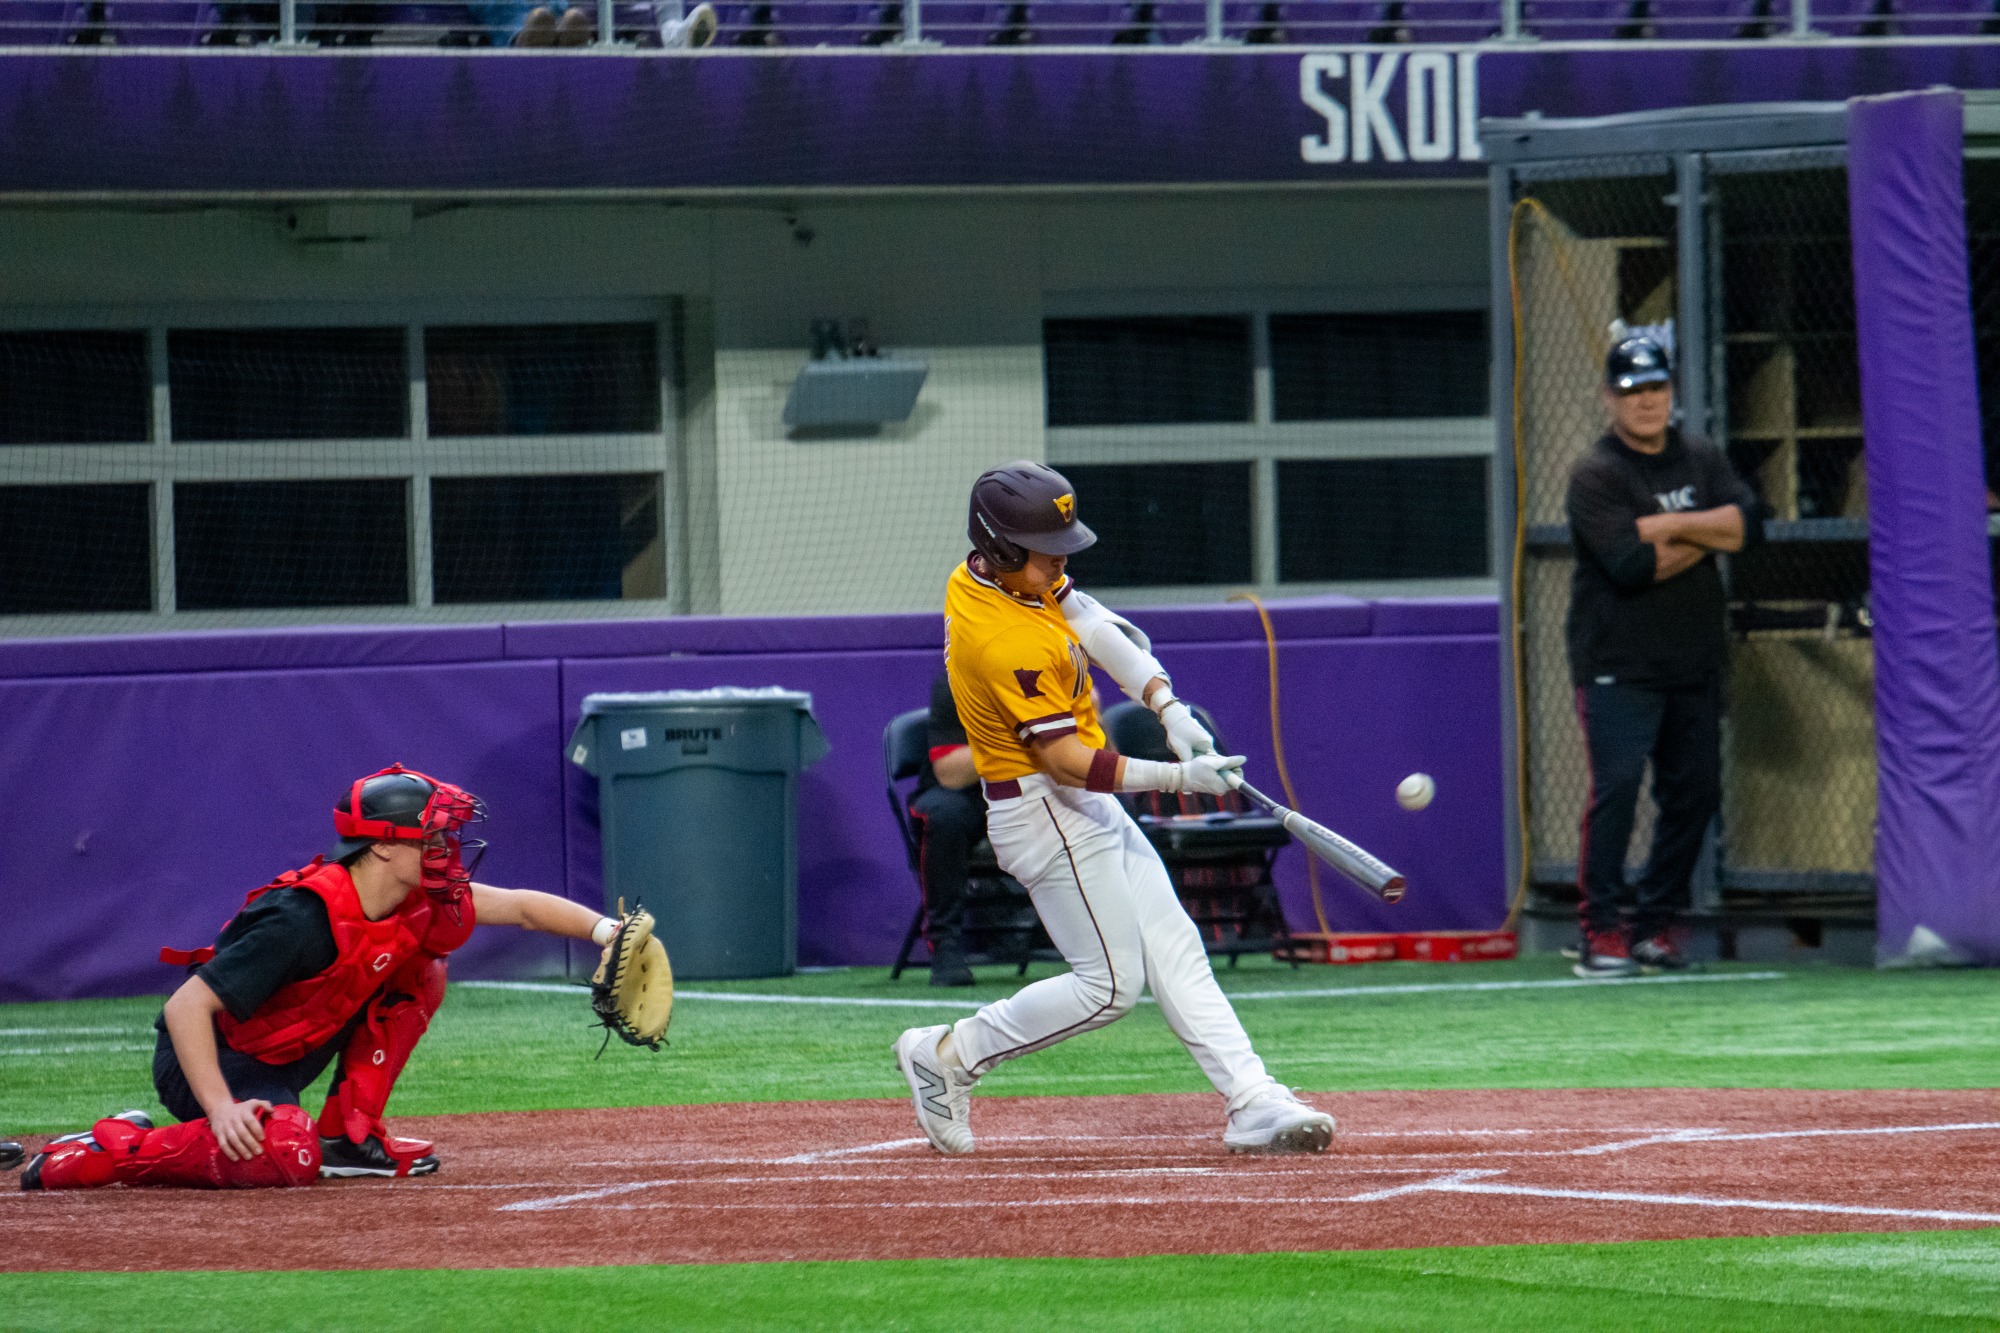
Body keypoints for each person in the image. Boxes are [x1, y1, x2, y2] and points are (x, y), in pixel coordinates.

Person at [893, 462, 1334, 1156]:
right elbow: (1066, 761)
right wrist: (1180, 773)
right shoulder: (1000, 638)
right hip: (1045, 813)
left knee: (1175, 946)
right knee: (1109, 988)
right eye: (1048, 549)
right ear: (1005, 549)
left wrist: (1168, 705)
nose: (1061, 559)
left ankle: (1252, 1097)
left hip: (1077, 807)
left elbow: (1092, 621)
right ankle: (948, 1053)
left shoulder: (997, 574)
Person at [21, 764, 626, 1191]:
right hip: (210, 1065)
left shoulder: (412, 899)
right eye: (435, 835)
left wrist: (610, 934)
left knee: (424, 967)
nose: (449, 847)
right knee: (285, 1154)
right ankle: (107, 1150)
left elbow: (520, 906)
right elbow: (185, 1008)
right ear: (385, 847)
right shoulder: (300, 918)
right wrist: (220, 1106)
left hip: (289, 1055)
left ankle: (350, 1139)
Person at [1565, 336, 1763, 979]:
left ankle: (1654, 926)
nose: (1645, 402)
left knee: (1695, 794)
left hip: (1693, 660)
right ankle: (1601, 932)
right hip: (1616, 661)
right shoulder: (1598, 472)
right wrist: (1711, 532)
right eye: (1631, 392)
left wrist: (1664, 525)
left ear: (1670, 392)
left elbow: (1751, 526)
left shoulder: (1699, 456)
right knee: (1618, 791)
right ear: (1610, 398)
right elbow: (1627, 564)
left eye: (1655, 389)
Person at [908, 671, 984, 987]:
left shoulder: (1060, 672)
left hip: (1034, 789)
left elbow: (1096, 753)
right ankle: (946, 944)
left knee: (1111, 805)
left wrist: (1093, 720)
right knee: (944, 814)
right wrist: (1029, 741)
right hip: (966, 794)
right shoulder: (959, 679)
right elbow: (951, 773)